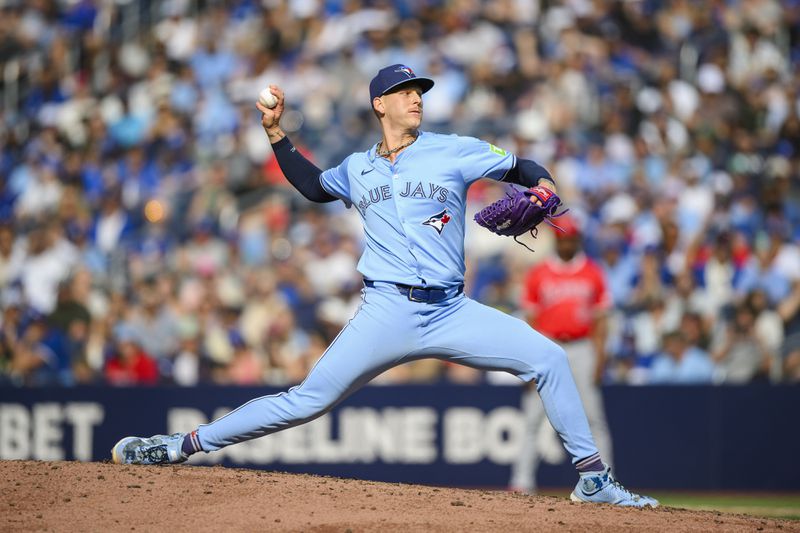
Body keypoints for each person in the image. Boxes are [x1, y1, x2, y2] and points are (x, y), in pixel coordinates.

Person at [111, 64, 657, 507]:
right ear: (380, 104)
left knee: (550, 360)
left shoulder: (453, 148)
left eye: (419, 90)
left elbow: (524, 166)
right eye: (403, 91)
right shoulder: (356, 168)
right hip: (386, 309)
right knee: (307, 401)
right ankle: (176, 446)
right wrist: (276, 134)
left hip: (451, 310)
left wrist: (544, 187)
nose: (416, 98)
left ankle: (592, 480)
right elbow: (311, 186)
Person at [509, 216, 615, 494]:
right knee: (532, 416)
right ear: (556, 240)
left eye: (570, 238)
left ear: (578, 240)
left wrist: (600, 355)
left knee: (593, 416)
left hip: (582, 347)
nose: (566, 243)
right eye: (562, 238)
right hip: (547, 345)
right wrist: (527, 357)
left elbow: (601, 318)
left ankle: (604, 482)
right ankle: (522, 482)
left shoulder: (592, 271)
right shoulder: (539, 272)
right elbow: (529, 320)